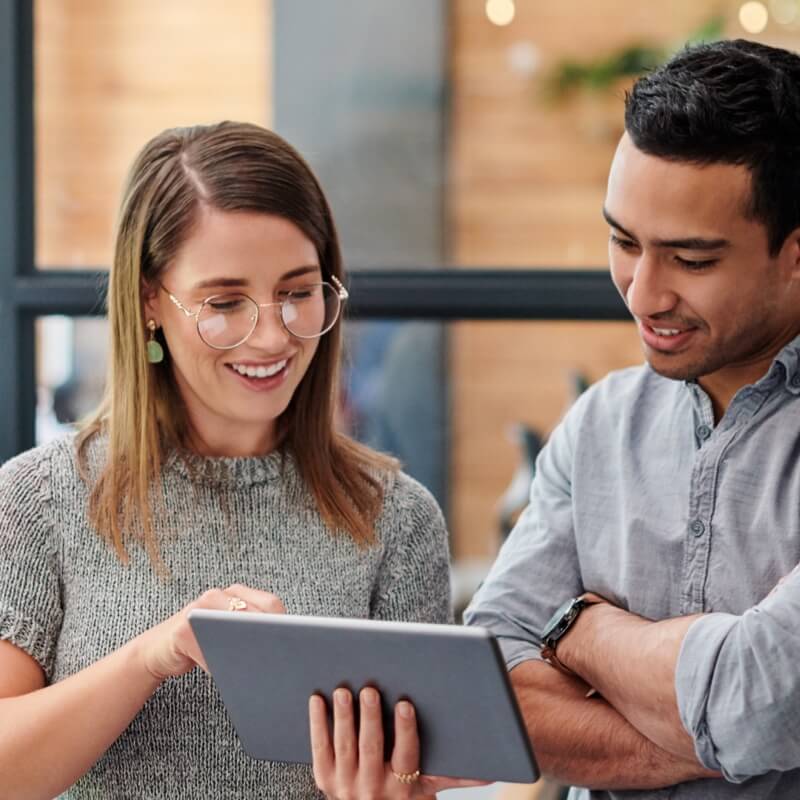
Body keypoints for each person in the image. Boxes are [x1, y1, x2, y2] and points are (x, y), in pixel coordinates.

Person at [0, 121, 452, 799]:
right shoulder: (39, 499)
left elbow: (418, 778)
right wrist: (153, 656)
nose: (272, 335)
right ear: (152, 301)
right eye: (225, 302)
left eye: (298, 293)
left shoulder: (396, 517)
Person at [464, 39, 800, 798]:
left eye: (691, 259)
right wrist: (718, 739)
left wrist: (582, 629)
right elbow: (489, 687)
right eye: (624, 242)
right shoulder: (600, 424)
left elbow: (762, 699)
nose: (643, 294)